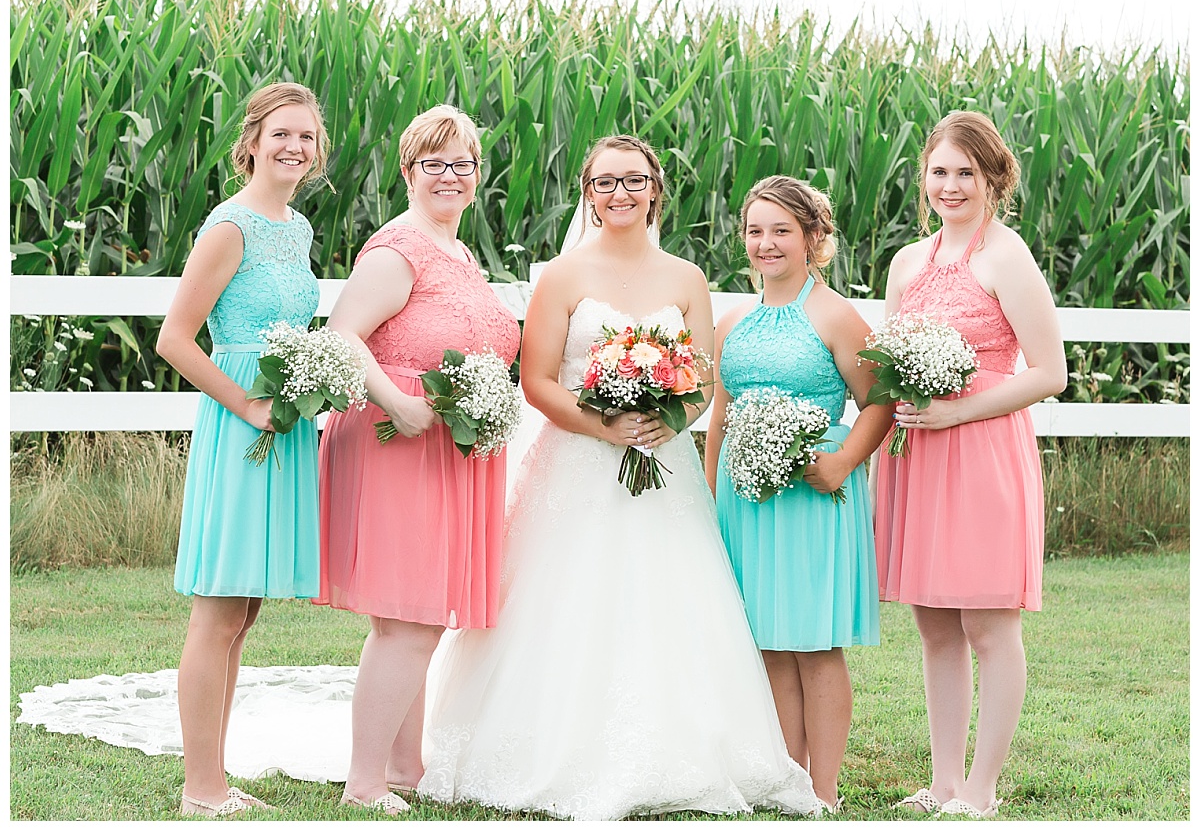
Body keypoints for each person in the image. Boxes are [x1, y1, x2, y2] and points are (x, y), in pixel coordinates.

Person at [417, 135, 822, 820]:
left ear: (655, 189)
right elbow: (537, 381)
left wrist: (673, 416)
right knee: (564, 601)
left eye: (633, 181)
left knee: (669, 600)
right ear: (589, 193)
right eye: (605, 183)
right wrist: (600, 424)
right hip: (576, 463)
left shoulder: (686, 277)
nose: (620, 194)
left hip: (663, 469)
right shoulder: (563, 275)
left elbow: (701, 381)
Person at [313, 105, 521, 815]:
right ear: (408, 172)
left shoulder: (457, 254)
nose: (449, 175)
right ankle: (365, 781)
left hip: (444, 446)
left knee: (413, 613)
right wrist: (398, 404)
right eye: (433, 162)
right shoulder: (397, 249)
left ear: (477, 175)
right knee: (410, 620)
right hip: (396, 438)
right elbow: (342, 334)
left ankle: (404, 765)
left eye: (461, 163)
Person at [875, 111, 1067, 818]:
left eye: (966, 173)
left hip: (982, 450)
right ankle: (944, 782)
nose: (951, 186)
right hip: (918, 454)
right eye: (939, 172)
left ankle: (982, 789)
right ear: (923, 176)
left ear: (993, 178)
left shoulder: (1007, 256)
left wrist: (959, 411)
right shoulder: (906, 263)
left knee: (989, 627)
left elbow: (1051, 372)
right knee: (935, 628)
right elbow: (886, 364)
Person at [157, 81, 330, 817]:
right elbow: (175, 338)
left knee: (245, 611)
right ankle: (202, 789)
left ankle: (215, 776)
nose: (294, 147)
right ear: (253, 141)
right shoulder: (230, 226)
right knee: (219, 610)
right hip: (241, 420)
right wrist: (248, 406)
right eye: (282, 134)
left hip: (282, 420)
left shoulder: (297, 228)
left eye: (307, 138)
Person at [705, 176, 892, 812]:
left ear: (813, 238)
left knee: (813, 642)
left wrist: (841, 462)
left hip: (813, 496)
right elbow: (720, 420)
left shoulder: (837, 315)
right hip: (745, 501)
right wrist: (709, 500)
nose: (766, 243)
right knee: (768, 643)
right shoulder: (732, 321)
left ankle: (827, 790)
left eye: (781, 230)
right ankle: (789, 781)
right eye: (756, 231)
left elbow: (878, 403)